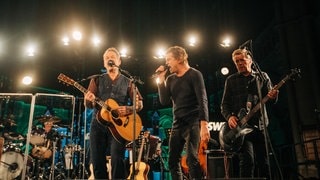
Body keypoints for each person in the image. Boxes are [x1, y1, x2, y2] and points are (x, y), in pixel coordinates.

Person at [84, 47, 143, 179]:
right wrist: (88, 100)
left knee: (117, 160)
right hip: (98, 126)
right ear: (104, 63)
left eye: (112, 57)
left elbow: (139, 104)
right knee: (97, 162)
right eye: (106, 58)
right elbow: (88, 105)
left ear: (119, 61)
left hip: (119, 128)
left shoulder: (128, 82)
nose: (109, 59)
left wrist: (128, 109)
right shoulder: (96, 80)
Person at [220, 48, 279, 179]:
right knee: (247, 162)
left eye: (242, 60)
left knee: (264, 162)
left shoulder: (262, 77)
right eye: (236, 61)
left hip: (260, 126)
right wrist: (229, 117)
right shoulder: (231, 80)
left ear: (250, 60)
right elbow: (224, 105)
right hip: (241, 129)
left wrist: (273, 96)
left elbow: (270, 101)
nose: (240, 63)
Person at [154, 46, 210, 180]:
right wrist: (161, 81)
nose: (166, 63)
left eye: (169, 59)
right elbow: (164, 100)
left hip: (194, 120)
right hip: (178, 122)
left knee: (191, 158)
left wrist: (204, 124)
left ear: (179, 58)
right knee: (172, 161)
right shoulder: (171, 79)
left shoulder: (195, 74)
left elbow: (202, 99)